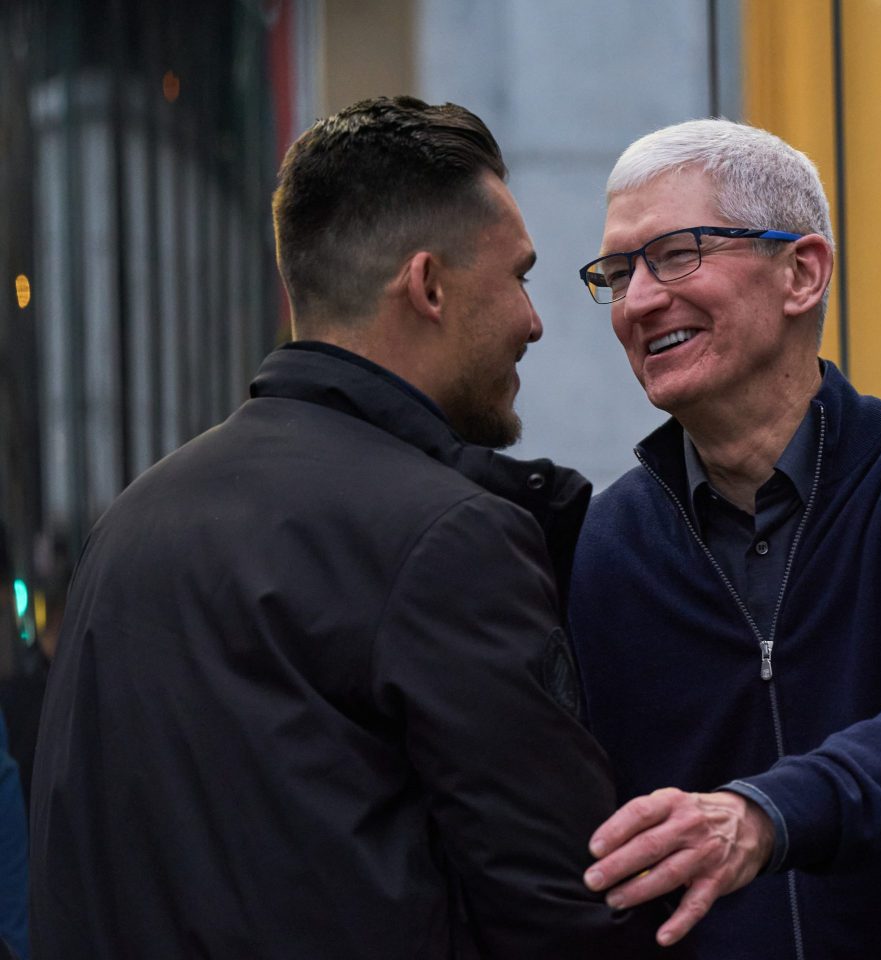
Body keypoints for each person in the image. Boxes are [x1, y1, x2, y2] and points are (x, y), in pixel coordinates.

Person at [29, 96, 671, 959]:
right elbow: (572, 908)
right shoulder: (449, 539)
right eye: (519, 275)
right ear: (429, 285)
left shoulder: (134, 521)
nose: (534, 321)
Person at [568, 118, 881, 958]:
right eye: (618, 273)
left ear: (802, 272)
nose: (639, 301)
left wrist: (766, 816)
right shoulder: (601, 546)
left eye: (675, 254)